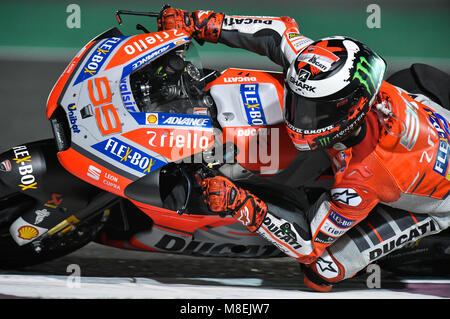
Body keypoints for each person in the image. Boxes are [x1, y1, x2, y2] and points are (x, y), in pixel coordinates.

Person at [158, 7, 450, 291]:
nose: (297, 117)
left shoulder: (362, 178)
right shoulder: (330, 77)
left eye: (312, 111)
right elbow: (279, 32)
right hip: (429, 117)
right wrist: (200, 23)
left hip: (437, 204)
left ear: (350, 111)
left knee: (323, 270)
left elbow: (310, 244)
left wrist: (240, 203)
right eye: (297, 101)